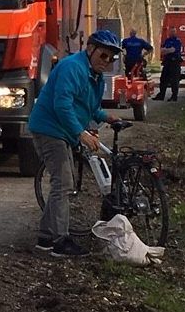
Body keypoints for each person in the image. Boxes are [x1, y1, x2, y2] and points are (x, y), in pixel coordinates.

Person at [27, 28, 125, 257]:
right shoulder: (73, 67)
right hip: (49, 130)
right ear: (90, 49)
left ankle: (45, 238)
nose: (107, 61)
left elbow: (87, 106)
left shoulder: (95, 75)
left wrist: (106, 117)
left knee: (63, 182)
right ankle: (60, 241)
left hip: (63, 131)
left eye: (112, 58)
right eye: (104, 55)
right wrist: (81, 134)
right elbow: (63, 106)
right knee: (63, 183)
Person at [153, 33, 182, 102]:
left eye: (174, 31)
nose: (172, 33)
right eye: (171, 31)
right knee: (163, 80)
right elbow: (162, 50)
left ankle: (174, 96)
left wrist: (167, 50)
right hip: (167, 63)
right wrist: (167, 50)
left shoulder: (177, 41)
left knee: (174, 81)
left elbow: (173, 50)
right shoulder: (167, 40)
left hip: (175, 63)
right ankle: (161, 95)